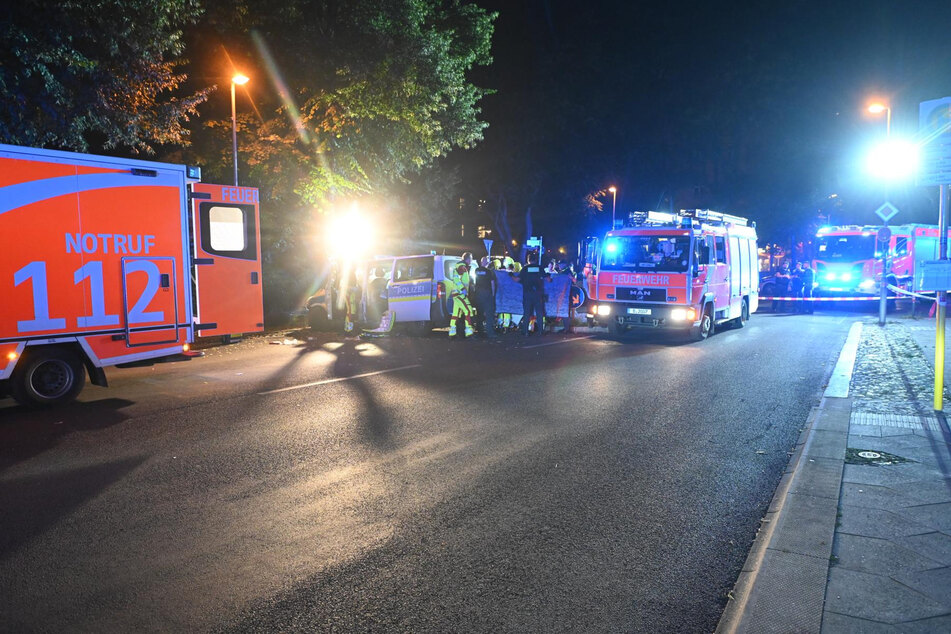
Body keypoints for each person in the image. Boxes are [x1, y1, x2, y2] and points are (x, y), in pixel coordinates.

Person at [513, 251, 549, 336]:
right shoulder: (540, 268)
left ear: (528, 260)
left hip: (527, 293)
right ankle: (540, 331)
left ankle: (525, 331)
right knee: (539, 312)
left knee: (527, 313)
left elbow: (517, 280)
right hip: (538, 293)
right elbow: (548, 279)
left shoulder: (525, 269)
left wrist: (511, 275)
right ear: (536, 260)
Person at [447, 261, 474, 338]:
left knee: (455, 314)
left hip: (457, 295)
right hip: (460, 295)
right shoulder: (462, 268)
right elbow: (458, 281)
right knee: (468, 311)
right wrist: (463, 289)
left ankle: (452, 332)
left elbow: (458, 280)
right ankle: (469, 331)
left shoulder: (458, 268)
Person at [473, 256, 498, 338]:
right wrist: (493, 295)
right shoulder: (489, 272)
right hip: (487, 294)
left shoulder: (476, 270)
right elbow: (492, 284)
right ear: (487, 263)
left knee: (479, 314)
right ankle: (490, 332)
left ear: (480, 262)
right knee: (489, 313)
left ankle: (480, 332)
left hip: (478, 294)